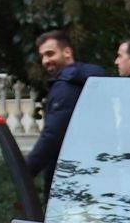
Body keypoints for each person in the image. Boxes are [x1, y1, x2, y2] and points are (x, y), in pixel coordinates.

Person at [24, 29, 108, 187]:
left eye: (50, 54)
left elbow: (53, 136)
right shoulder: (88, 81)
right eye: (42, 56)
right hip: (91, 172)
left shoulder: (66, 87)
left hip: (67, 179)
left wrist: (25, 172)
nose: (45, 60)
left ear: (67, 52)